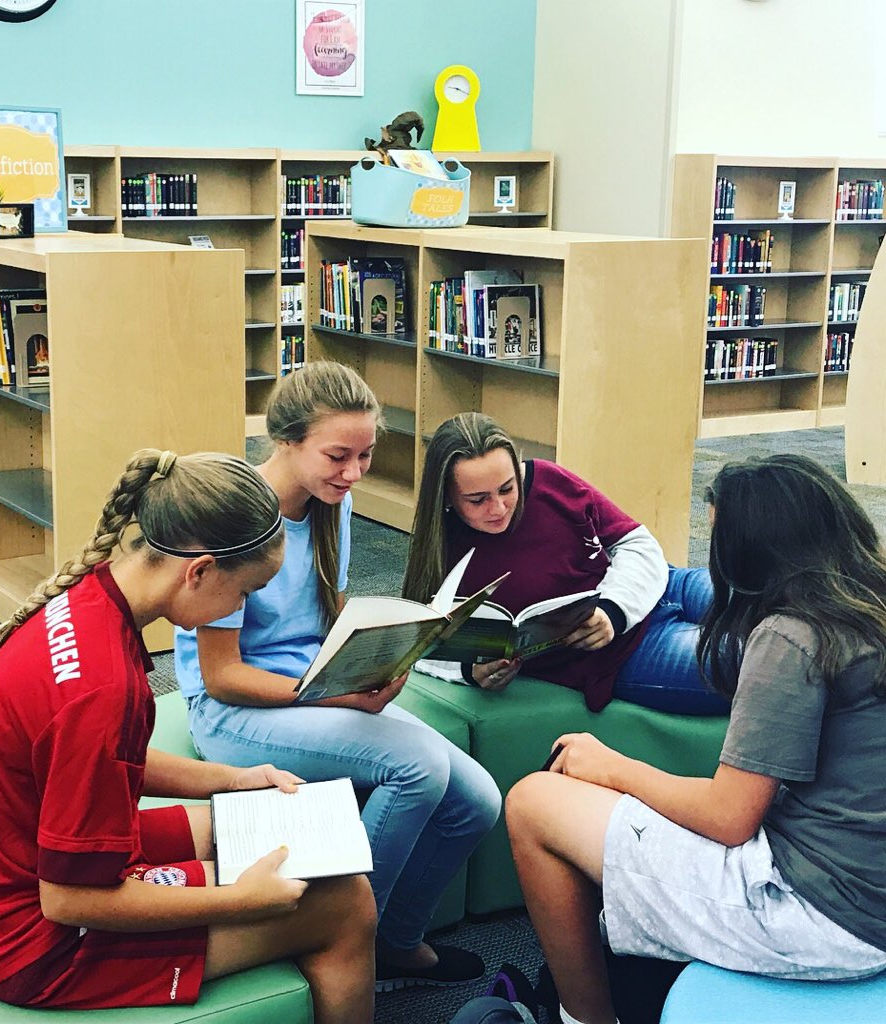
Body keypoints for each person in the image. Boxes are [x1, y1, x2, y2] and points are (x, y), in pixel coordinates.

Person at [0, 448, 376, 1023]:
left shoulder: (92, 599)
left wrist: (237, 780)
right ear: (199, 571)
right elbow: (67, 900)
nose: (240, 608)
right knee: (346, 904)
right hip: (27, 942)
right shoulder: (104, 688)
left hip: (4, 873)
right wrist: (240, 901)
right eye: (244, 593)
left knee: (240, 823)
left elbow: (108, 761)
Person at [506, 454, 886, 1024]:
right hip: (862, 894)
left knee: (534, 803)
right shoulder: (864, 609)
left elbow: (731, 818)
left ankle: (583, 1018)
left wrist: (610, 767)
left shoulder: (793, 635)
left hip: (819, 916)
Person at [175, 363, 501, 991]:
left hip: (313, 686)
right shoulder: (239, 520)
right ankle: (352, 942)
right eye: (337, 455)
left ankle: (398, 941)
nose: (353, 473)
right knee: (419, 769)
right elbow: (221, 677)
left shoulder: (332, 504)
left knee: (477, 801)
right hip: (238, 710)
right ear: (287, 441)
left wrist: (391, 652)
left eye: (366, 456)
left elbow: (326, 613)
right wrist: (333, 692)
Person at [402, 412, 725, 714]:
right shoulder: (441, 552)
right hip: (619, 653)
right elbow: (411, 649)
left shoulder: (548, 479)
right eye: (478, 500)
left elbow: (636, 542)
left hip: (656, 585)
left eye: (507, 488)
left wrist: (613, 609)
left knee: (766, 594)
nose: (499, 507)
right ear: (446, 496)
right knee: (753, 659)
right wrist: (468, 671)